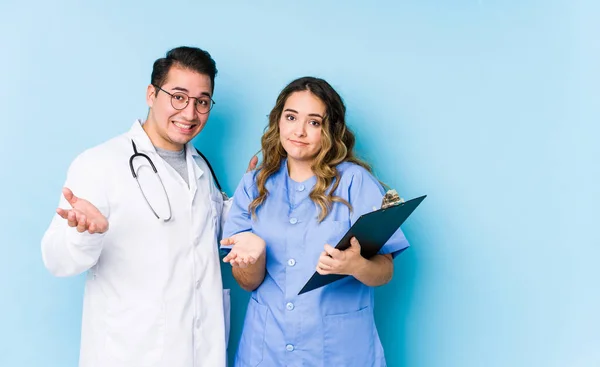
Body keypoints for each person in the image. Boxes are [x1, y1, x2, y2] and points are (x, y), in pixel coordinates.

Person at [41, 46, 256, 367]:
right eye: (178, 96)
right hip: (131, 353)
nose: (189, 112)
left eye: (202, 101)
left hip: (201, 352)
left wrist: (251, 195)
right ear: (151, 94)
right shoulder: (100, 163)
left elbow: (213, 235)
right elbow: (56, 260)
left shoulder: (202, 169)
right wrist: (85, 233)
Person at [220, 76, 410, 366]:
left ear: (329, 129)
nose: (299, 131)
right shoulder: (253, 185)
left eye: (314, 122)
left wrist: (355, 265)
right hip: (267, 348)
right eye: (291, 117)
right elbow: (248, 283)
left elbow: (385, 271)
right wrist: (252, 258)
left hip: (338, 350)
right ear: (278, 121)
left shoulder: (355, 183)